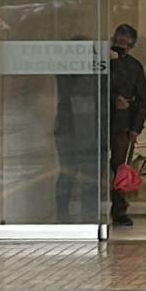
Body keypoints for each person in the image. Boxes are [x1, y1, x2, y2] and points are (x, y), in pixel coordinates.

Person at [54, 36, 99, 222]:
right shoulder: (72, 75)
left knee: (80, 173)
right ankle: (70, 216)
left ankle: (84, 216)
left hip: (84, 127)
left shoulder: (77, 76)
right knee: (72, 173)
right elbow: (78, 91)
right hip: (72, 129)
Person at [109, 24, 146, 227]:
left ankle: (119, 210)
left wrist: (136, 128)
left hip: (123, 125)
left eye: (125, 44)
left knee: (121, 167)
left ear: (131, 46)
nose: (119, 46)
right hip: (100, 121)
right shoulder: (102, 62)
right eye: (117, 41)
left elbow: (143, 100)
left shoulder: (134, 67)